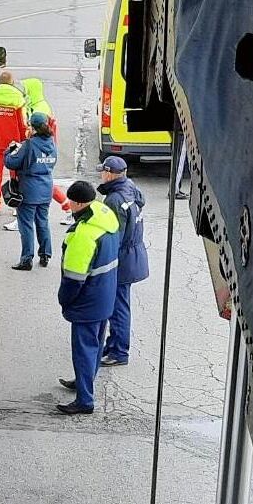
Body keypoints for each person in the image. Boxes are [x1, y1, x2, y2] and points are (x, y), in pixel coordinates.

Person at [55, 180, 120, 415]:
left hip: (88, 301)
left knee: (83, 350)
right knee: (96, 343)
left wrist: (64, 299)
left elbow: (73, 279)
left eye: (70, 201)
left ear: (77, 203)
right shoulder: (105, 216)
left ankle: (84, 400)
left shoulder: (84, 235)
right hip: (105, 294)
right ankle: (84, 382)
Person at [97, 156, 150, 366]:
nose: (101, 174)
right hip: (134, 253)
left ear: (109, 174)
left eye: (103, 171)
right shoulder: (130, 187)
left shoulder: (114, 200)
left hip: (122, 259)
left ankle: (119, 351)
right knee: (121, 303)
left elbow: (114, 235)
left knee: (117, 306)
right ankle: (114, 345)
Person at [5, 77, 72, 230]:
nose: (24, 93)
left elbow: (35, 130)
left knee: (30, 182)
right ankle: (67, 208)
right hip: (42, 148)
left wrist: (22, 146)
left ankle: (22, 216)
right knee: (43, 183)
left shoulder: (39, 109)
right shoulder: (37, 105)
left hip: (37, 149)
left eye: (26, 90)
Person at [4, 112, 58, 270]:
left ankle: (27, 259)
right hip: (46, 187)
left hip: (29, 189)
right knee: (43, 222)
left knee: (26, 224)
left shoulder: (29, 145)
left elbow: (11, 162)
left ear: (32, 127)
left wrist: (9, 151)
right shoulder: (51, 143)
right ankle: (45, 254)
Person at [0, 72, 27, 216]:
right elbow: (23, 123)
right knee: (15, 175)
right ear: (11, 82)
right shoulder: (18, 98)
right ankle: (16, 206)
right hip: (14, 144)